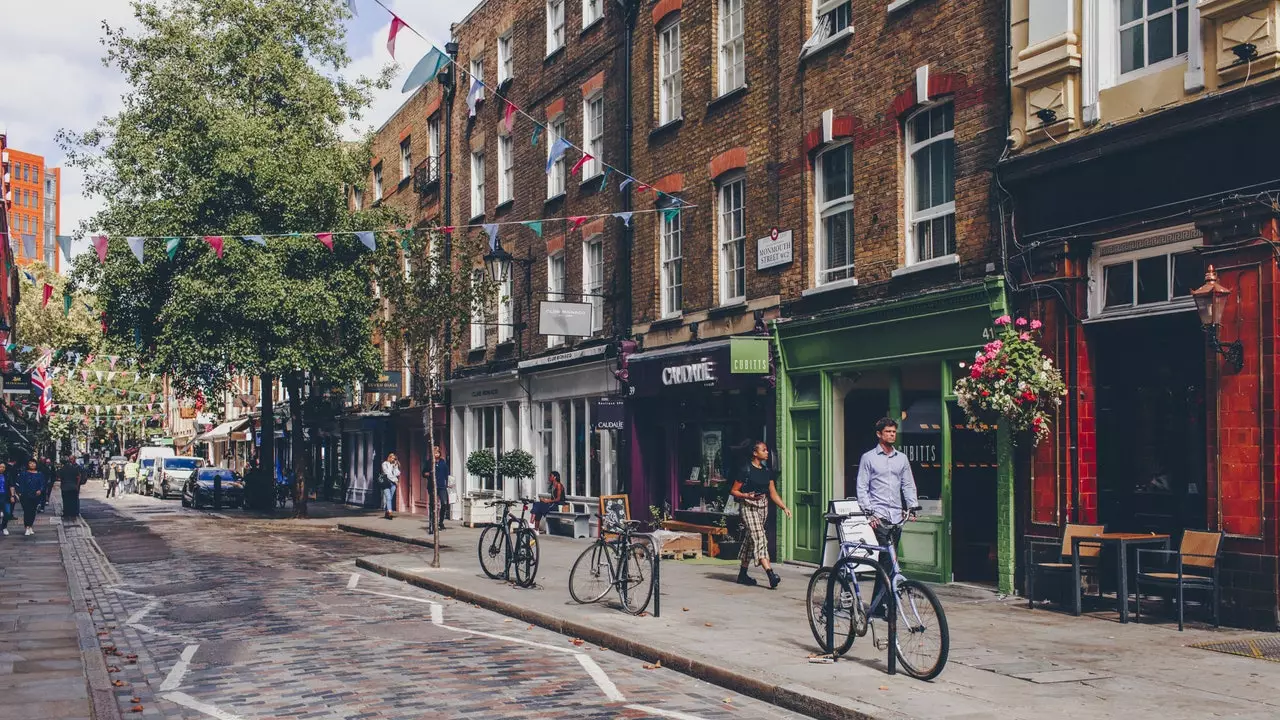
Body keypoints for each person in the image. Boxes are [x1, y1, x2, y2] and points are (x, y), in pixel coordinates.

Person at [855, 417, 920, 619]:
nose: (892, 435)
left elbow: (908, 484)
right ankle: (887, 607)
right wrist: (869, 513)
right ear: (879, 434)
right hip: (879, 516)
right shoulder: (869, 458)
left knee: (888, 562)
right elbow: (862, 487)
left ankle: (878, 606)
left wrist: (912, 506)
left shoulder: (901, 458)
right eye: (888, 432)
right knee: (888, 562)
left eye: (893, 432)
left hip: (896, 516)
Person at [730, 442, 792, 588]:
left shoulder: (767, 471)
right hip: (748, 506)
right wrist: (747, 495)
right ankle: (771, 574)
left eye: (766, 450)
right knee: (759, 537)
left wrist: (784, 507)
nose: (766, 453)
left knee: (751, 540)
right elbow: (734, 491)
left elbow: (773, 493)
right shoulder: (745, 469)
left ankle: (742, 574)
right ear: (755, 453)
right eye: (763, 450)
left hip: (763, 507)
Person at [528, 471, 566, 535]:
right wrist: (545, 500)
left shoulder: (559, 485)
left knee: (538, 506)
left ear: (555, 477)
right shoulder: (552, 486)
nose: (549, 477)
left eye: (550, 476)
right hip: (553, 504)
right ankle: (535, 528)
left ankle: (532, 525)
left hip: (559, 505)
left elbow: (558, 499)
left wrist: (547, 501)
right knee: (537, 506)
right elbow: (553, 498)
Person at [16, 460, 45, 536]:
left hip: (35, 495)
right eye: (30, 463)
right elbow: (20, 483)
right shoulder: (24, 474)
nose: (32, 465)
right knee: (27, 511)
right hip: (25, 495)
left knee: (33, 511)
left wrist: (40, 490)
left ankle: (30, 525)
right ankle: (27, 527)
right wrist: (19, 493)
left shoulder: (39, 474)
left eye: (33, 463)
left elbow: (42, 484)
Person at [58, 456, 85, 521]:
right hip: (73, 487)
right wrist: (76, 485)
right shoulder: (75, 468)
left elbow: (59, 477)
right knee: (73, 501)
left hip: (65, 487)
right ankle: (73, 515)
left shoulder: (62, 469)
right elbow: (79, 477)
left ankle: (66, 514)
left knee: (66, 501)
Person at [431, 446, 450, 532]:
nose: (436, 454)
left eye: (438, 452)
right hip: (433, 486)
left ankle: (441, 522)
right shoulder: (430, 462)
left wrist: (448, 483)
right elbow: (424, 472)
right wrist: (427, 474)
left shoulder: (443, 462)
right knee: (433, 505)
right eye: (435, 452)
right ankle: (432, 523)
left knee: (444, 503)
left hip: (442, 486)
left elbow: (447, 474)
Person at [380, 453, 401, 520]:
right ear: (389, 457)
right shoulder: (384, 464)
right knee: (388, 498)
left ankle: (387, 512)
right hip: (386, 483)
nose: (393, 459)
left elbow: (397, 473)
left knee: (390, 498)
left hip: (393, 484)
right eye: (392, 458)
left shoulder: (395, 464)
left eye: (394, 458)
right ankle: (390, 512)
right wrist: (395, 480)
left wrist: (395, 467)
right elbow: (387, 473)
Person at [0, 462, 11, 537]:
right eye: (0, 467)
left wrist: (13, 495)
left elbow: (11, 485)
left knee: (7, 512)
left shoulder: (7, 475)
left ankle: (4, 527)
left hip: (5, 495)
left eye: (3, 467)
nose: (2, 468)